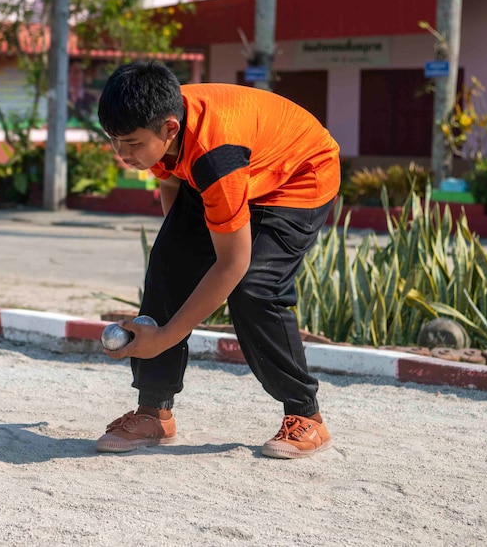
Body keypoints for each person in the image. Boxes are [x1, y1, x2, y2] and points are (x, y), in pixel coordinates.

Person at [94, 61, 340, 459]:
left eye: (132, 144)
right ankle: (154, 412)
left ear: (170, 129)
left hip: (296, 175)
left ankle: (305, 415)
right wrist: (177, 259)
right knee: (168, 264)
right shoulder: (156, 124)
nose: (122, 153)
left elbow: (232, 264)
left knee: (255, 289)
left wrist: (165, 338)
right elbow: (174, 183)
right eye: (113, 140)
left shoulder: (213, 154)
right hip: (237, 167)